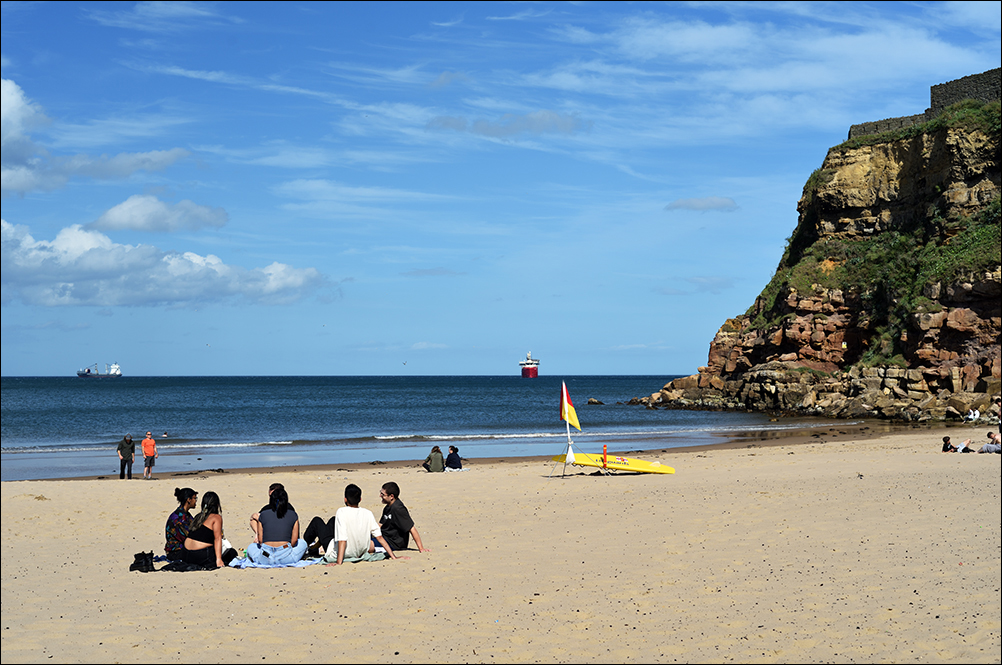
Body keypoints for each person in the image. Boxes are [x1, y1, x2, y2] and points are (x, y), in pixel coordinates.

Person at [323, 484, 405, 565]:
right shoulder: (368, 513)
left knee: (318, 522)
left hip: (342, 553)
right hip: (359, 553)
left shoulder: (341, 511)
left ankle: (315, 548)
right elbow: (379, 537)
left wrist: (338, 562)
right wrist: (394, 557)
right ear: (360, 499)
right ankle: (317, 547)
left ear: (345, 499)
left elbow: (342, 539)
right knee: (332, 521)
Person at [245, 486, 307, 565]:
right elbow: (294, 541)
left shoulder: (263, 514)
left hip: (265, 556)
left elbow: (260, 541)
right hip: (286, 556)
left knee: (251, 547)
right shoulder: (293, 515)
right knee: (302, 543)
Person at [181, 491, 234, 569]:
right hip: (199, 555)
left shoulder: (198, 517)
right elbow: (217, 539)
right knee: (231, 553)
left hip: (185, 554)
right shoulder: (216, 517)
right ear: (217, 505)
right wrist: (219, 559)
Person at [378, 482, 429, 553]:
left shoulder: (398, 509)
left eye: (383, 494)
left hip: (393, 543)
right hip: (382, 537)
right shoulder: (387, 507)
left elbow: (411, 528)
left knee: (366, 546)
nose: (380, 496)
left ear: (391, 496)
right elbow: (380, 524)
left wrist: (421, 548)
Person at [165, 487, 197, 561]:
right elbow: (187, 537)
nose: (195, 501)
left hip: (184, 548)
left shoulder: (186, 515)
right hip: (176, 552)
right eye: (195, 498)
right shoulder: (178, 518)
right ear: (189, 500)